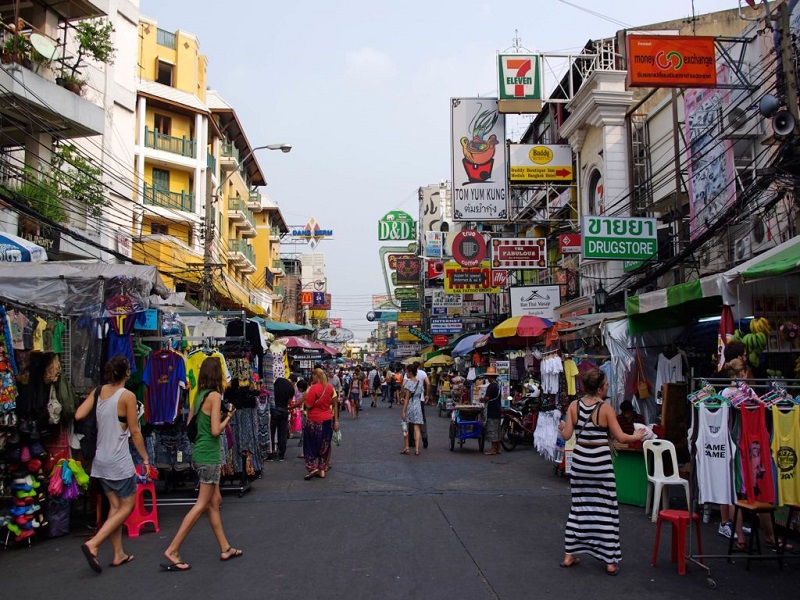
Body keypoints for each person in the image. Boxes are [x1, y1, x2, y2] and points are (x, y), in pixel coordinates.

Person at [558, 367, 645, 575]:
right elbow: (621, 437)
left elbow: (567, 434)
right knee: (606, 509)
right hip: (600, 462)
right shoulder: (605, 409)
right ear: (598, 390)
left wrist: (561, 427)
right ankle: (610, 561)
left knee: (579, 507)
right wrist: (638, 435)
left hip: (580, 461)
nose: (607, 388)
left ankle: (570, 554)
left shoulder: (573, 406)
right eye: (605, 385)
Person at [162, 357, 241, 571]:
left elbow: (191, 424)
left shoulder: (199, 396)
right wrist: (229, 417)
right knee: (201, 505)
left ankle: (225, 547)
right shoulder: (215, 396)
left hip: (199, 452)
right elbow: (216, 430)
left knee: (214, 503)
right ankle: (173, 548)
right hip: (209, 455)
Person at [76, 355, 149, 574]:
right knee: (127, 507)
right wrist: (145, 458)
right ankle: (94, 543)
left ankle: (118, 553)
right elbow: (135, 432)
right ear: (127, 372)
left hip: (101, 460)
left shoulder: (98, 392)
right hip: (119, 460)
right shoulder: (127, 396)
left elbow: (79, 414)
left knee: (115, 508)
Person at [292, 368, 338, 479]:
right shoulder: (330, 388)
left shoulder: (313, 389)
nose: (311, 377)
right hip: (328, 420)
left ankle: (313, 467)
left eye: (313, 375)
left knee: (311, 445)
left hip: (314, 421)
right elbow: (335, 405)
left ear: (316, 376)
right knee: (324, 445)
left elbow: (308, 405)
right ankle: (322, 469)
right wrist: (336, 420)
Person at [401, 364, 425, 456]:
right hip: (418, 406)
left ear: (410, 372)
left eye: (407, 372)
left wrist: (403, 411)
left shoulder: (409, 383)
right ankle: (417, 450)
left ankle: (406, 447)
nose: (406, 374)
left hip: (410, 406)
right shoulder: (419, 383)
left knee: (405, 426)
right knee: (417, 428)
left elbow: (407, 399)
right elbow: (419, 395)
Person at [270, 373, 295, 461]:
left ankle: (271, 452)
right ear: (294, 382)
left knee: (272, 432)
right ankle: (281, 454)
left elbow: (273, 389)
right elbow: (288, 401)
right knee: (282, 433)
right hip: (284, 410)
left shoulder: (279, 380)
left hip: (274, 409)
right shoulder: (292, 389)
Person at [480, 366, 502, 456]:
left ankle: (493, 449)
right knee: (497, 429)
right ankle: (498, 448)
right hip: (497, 409)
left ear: (489, 377)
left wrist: (481, 399)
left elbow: (487, 398)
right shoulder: (497, 385)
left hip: (492, 410)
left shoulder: (491, 386)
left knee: (492, 430)